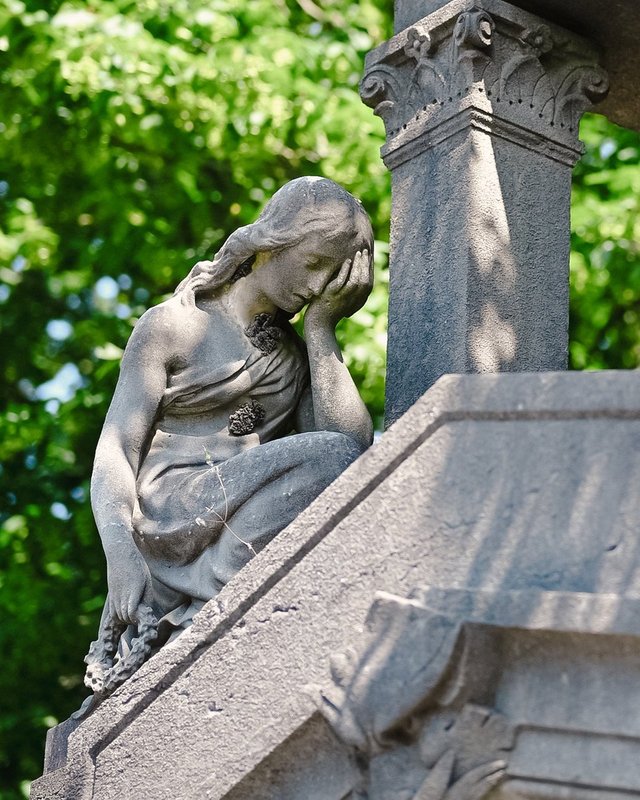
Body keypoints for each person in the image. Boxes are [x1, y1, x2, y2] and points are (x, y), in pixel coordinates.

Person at [88, 176, 374, 674]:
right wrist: (119, 549)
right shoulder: (178, 324)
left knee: (336, 464)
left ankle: (221, 601)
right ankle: (208, 602)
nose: (314, 287)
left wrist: (322, 329)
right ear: (271, 242)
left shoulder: (295, 356)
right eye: (312, 264)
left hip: (241, 514)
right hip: (173, 511)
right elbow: (117, 447)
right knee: (329, 457)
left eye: (329, 278)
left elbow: (350, 453)